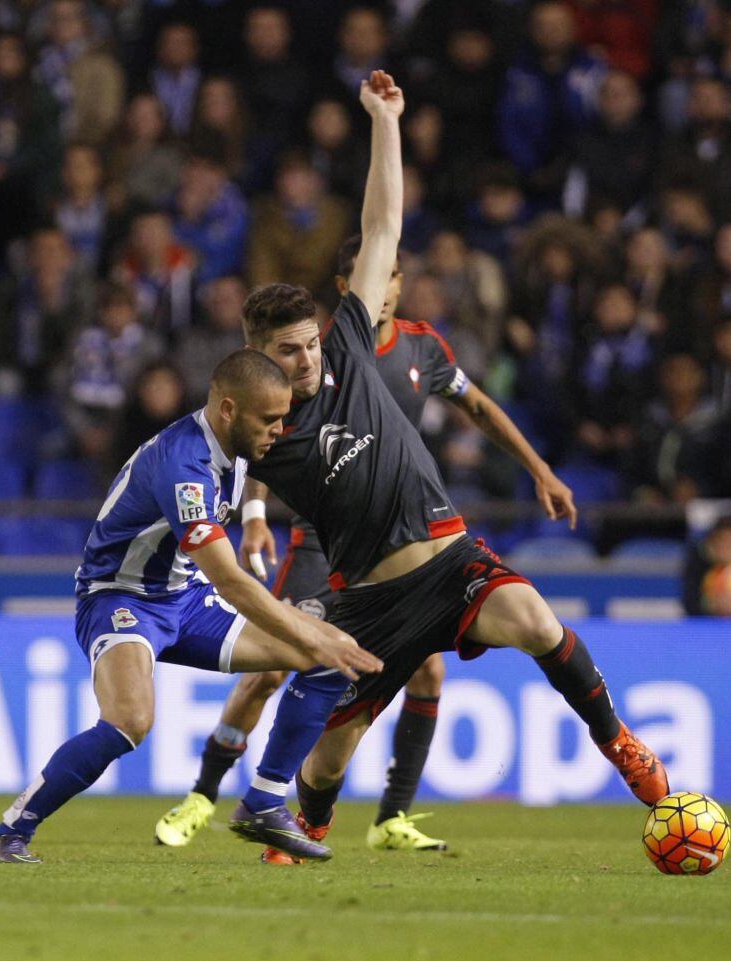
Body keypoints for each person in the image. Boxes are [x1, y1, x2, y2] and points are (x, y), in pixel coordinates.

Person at [206, 71, 667, 863]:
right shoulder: (260, 431)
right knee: (330, 758)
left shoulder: (351, 340)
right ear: (258, 356)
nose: (310, 357)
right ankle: (301, 826)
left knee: (535, 620)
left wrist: (384, 121)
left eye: (312, 341)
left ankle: (624, 748)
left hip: (450, 558)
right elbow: (212, 487)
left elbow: (382, 220)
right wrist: (246, 524)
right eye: (289, 351)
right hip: (368, 601)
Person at [155, 232, 504, 855]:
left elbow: (476, 404)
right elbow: (271, 443)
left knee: (425, 669)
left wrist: (538, 471)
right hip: (323, 543)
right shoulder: (325, 351)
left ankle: (390, 817)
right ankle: (202, 797)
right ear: (353, 291)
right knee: (271, 669)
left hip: (392, 545)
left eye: (398, 274)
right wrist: (256, 512)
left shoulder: (420, 349)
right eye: (382, 275)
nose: (390, 285)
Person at [0, 349, 381, 864]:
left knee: (325, 659)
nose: (279, 430)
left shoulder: (238, 443)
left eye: (282, 418)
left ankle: (262, 800)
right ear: (229, 409)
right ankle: (10, 833)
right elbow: (231, 580)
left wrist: (257, 517)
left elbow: (264, 481)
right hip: (120, 597)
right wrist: (311, 629)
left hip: (186, 599)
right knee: (130, 720)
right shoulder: (183, 466)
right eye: (269, 419)